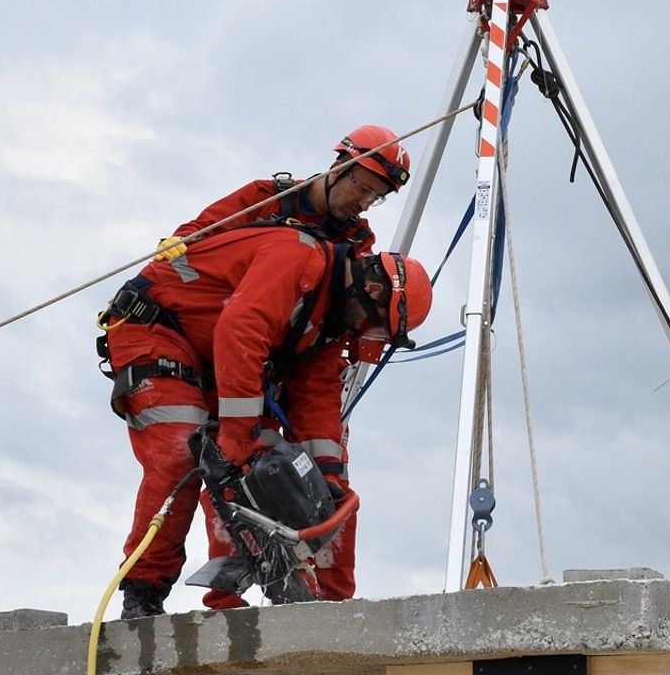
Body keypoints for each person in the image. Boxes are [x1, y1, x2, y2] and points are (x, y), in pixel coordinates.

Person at [99, 223, 432, 618]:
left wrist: (326, 479)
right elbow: (241, 331)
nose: (364, 334)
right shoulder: (298, 258)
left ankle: (302, 606)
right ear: (373, 291)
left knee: (278, 471)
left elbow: (317, 400)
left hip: (219, 365)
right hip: (157, 331)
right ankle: (143, 591)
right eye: (374, 326)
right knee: (180, 457)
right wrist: (237, 440)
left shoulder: (328, 324)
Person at [154, 124, 411, 261]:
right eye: (363, 189)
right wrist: (178, 242)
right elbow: (202, 230)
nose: (364, 204)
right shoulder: (265, 197)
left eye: (375, 198)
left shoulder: (357, 239)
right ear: (339, 167)